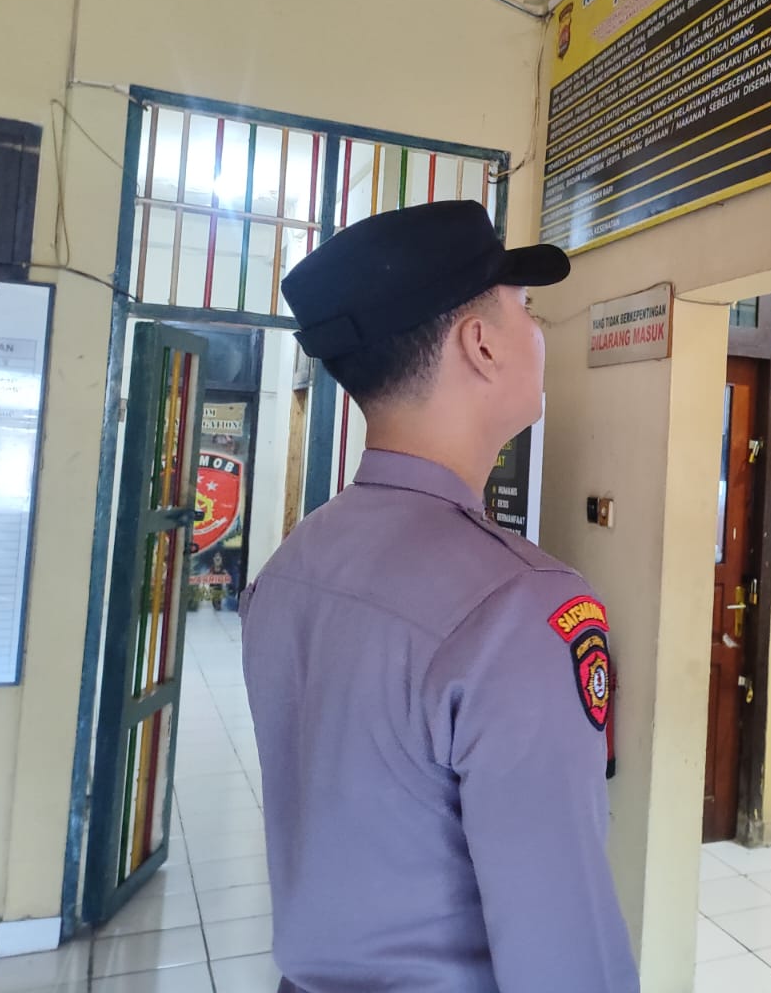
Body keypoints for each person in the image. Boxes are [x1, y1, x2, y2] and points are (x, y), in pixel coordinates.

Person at [241, 200, 639, 992]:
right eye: (526, 307)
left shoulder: (294, 563)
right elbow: (563, 950)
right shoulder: (522, 609)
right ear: (481, 344)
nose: (539, 332)